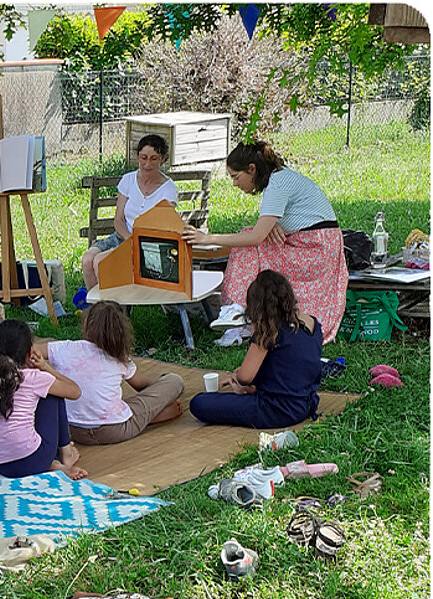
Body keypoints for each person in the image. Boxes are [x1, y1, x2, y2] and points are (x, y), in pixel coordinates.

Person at [182, 140, 347, 344]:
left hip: (315, 250)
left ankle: (235, 310)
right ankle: (242, 314)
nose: (234, 184)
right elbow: (277, 223)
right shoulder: (281, 177)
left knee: (248, 245)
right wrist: (274, 224)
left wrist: (207, 239)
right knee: (252, 240)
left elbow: (256, 237)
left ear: (252, 169)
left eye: (236, 176)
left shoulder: (277, 183)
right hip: (317, 245)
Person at [38, 301, 184, 446]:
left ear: (86, 323)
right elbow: (140, 385)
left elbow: (31, 350)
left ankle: (146, 414)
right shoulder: (118, 357)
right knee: (175, 381)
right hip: (115, 430)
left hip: (71, 430)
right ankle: (151, 416)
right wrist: (161, 391)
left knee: (113, 405)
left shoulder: (64, 348)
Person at [189, 270, 322, 429]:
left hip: (276, 410)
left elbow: (244, 377)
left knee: (199, 403)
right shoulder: (312, 323)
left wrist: (237, 379)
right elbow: (290, 366)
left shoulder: (270, 331)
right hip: (307, 403)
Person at [0, 319, 87, 480]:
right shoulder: (33, 377)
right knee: (53, 394)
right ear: (29, 353)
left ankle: (53, 464)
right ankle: (66, 453)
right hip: (33, 461)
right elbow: (75, 391)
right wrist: (45, 368)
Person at [79, 134, 178, 292]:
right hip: (123, 236)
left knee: (101, 262)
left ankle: (113, 305)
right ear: (137, 157)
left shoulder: (169, 189)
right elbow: (118, 220)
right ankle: (96, 305)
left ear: (162, 159)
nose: (147, 164)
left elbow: (163, 225)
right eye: (143, 158)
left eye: (153, 159)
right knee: (87, 259)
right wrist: (129, 239)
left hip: (148, 244)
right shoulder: (128, 180)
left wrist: (136, 243)